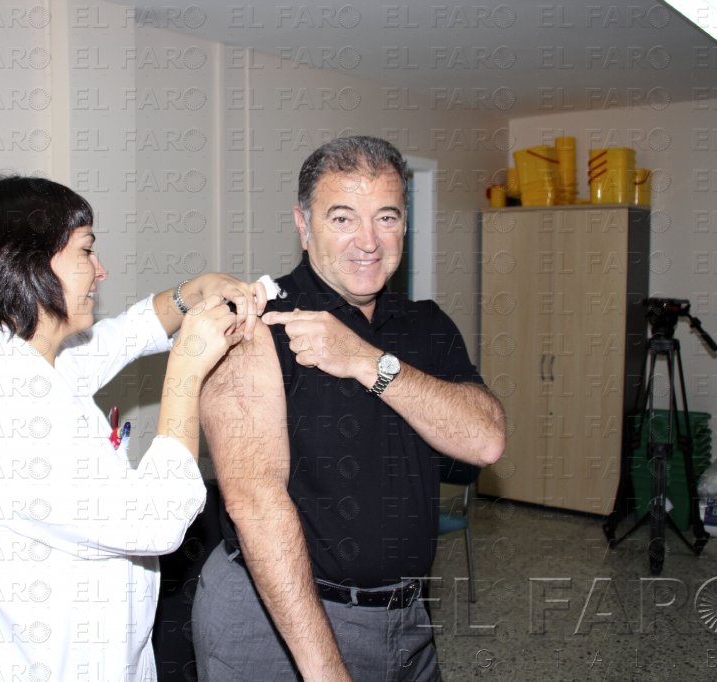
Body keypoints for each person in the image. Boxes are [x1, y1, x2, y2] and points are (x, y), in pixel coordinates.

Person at [192, 136, 506, 681]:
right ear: (303, 224)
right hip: (276, 623)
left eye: (387, 217)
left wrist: (366, 361)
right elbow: (256, 508)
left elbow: (485, 439)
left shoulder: (426, 323)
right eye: (342, 218)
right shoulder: (255, 325)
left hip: (406, 618)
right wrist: (326, 671)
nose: (368, 241)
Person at [0, 174, 266, 681]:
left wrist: (194, 291)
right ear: (29, 261)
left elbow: (123, 335)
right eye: (86, 250)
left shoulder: (18, 358)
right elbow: (157, 518)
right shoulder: (1, 406)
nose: (100, 270)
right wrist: (186, 369)